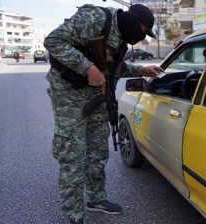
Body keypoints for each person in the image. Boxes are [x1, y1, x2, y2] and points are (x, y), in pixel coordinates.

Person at [43, 4, 164, 224]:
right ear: (134, 22)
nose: (143, 37)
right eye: (145, 31)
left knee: (98, 150)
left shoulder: (121, 37)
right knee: (73, 154)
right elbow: (53, 41)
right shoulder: (96, 17)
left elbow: (110, 66)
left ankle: (96, 199)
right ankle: (74, 214)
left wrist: (140, 70)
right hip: (69, 95)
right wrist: (86, 68)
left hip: (99, 95)